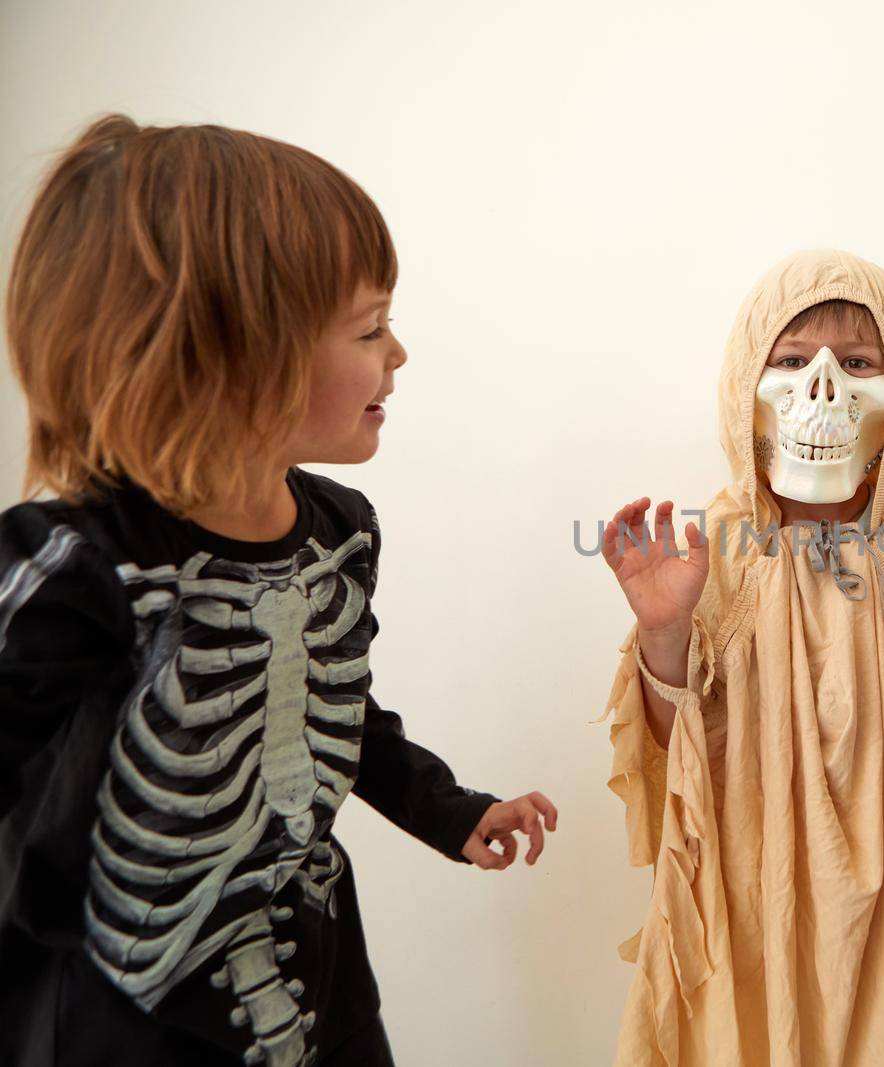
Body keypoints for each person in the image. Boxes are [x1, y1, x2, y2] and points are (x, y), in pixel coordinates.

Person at [0, 116, 557, 1066]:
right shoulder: (74, 564)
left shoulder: (340, 528)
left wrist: (449, 809)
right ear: (234, 353)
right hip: (126, 1022)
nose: (402, 353)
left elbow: (330, 712)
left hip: (324, 981)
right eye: (372, 326)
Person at [598, 249, 884, 1065]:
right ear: (748, 384)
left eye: (857, 363)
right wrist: (665, 633)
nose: (825, 387)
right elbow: (677, 762)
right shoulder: (713, 551)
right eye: (790, 362)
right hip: (756, 902)